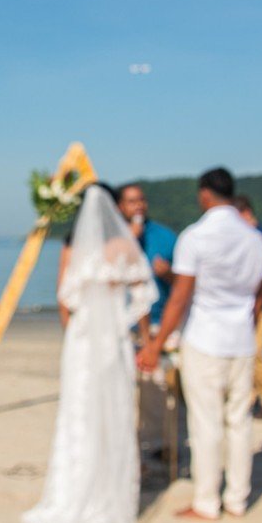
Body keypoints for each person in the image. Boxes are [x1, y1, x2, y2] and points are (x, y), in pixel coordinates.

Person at [0, 185, 157, 523]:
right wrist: (129, 324)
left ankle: (73, 493)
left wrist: (78, 325)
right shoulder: (126, 247)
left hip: (82, 340)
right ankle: (109, 496)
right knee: (113, 413)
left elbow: (66, 296)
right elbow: (145, 296)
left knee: (78, 413)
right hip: (112, 340)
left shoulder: (75, 248)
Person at [138, 168, 262, 521]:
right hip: (242, 339)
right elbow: (259, 297)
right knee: (239, 421)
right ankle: (238, 499)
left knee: (205, 423)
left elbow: (180, 297)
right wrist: (247, 327)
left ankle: (207, 501)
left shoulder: (195, 237)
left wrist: (156, 344)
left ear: (205, 195)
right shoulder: (256, 240)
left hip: (205, 338)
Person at [115, 183, 177, 459]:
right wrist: (130, 239)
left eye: (141, 200)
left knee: (157, 389)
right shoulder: (113, 238)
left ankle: (159, 444)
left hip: (157, 323)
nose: (138, 205)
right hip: (120, 327)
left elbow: (185, 285)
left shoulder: (165, 237)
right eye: (131, 201)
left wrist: (168, 274)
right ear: (120, 207)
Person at [233, 195, 262, 419]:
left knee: (255, 352)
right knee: (246, 353)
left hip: (261, 306)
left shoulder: (261, 237)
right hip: (244, 305)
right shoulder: (249, 236)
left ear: (245, 213)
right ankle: (252, 395)